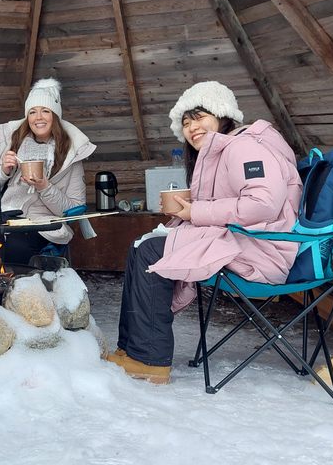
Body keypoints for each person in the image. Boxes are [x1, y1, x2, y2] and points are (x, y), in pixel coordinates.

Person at [107, 81, 303, 384]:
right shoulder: (226, 148)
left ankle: (151, 360)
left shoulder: (246, 146)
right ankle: (130, 349)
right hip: (243, 239)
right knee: (141, 245)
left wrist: (195, 212)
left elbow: (263, 203)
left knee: (150, 251)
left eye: (200, 117)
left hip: (262, 248)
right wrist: (189, 209)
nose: (191, 127)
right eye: (185, 122)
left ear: (222, 114)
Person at [0, 78, 96, 264]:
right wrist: (2, 171)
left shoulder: (71, 155)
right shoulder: (8, 143)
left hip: (38, 224)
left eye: (45, 111)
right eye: (33, 112)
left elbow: (74, 211)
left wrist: (45, 187)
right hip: (0, 215)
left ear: (55, 116)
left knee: (15, 246)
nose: (38, 118)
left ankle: (18, 291)